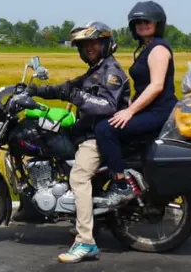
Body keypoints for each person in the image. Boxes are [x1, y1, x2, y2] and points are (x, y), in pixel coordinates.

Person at [22, 21, 130, 264]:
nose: (88, 48)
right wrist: (35, 90)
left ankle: (85, 242)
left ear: (105, 44)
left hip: (99, 136)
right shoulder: (95, 70)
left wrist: (76, 96)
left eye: (93, 43)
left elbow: (108, 106)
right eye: (84, 45)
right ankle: (82, 218)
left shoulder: (111, 72)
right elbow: (67, 88)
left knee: (79, 178)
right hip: (86, 131)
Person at [94, 0, 178, 208]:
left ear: (158, 23)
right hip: (150, 109)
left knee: (105, 129)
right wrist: (124, 106)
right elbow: (143, 86)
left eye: (147, 21)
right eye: (137, 22)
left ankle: (122, 185)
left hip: (159, 112)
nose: (142, 25)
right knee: (108, 122)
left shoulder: (158, 49)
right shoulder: (147, 48)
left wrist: (130, 111)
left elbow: (157, 86)